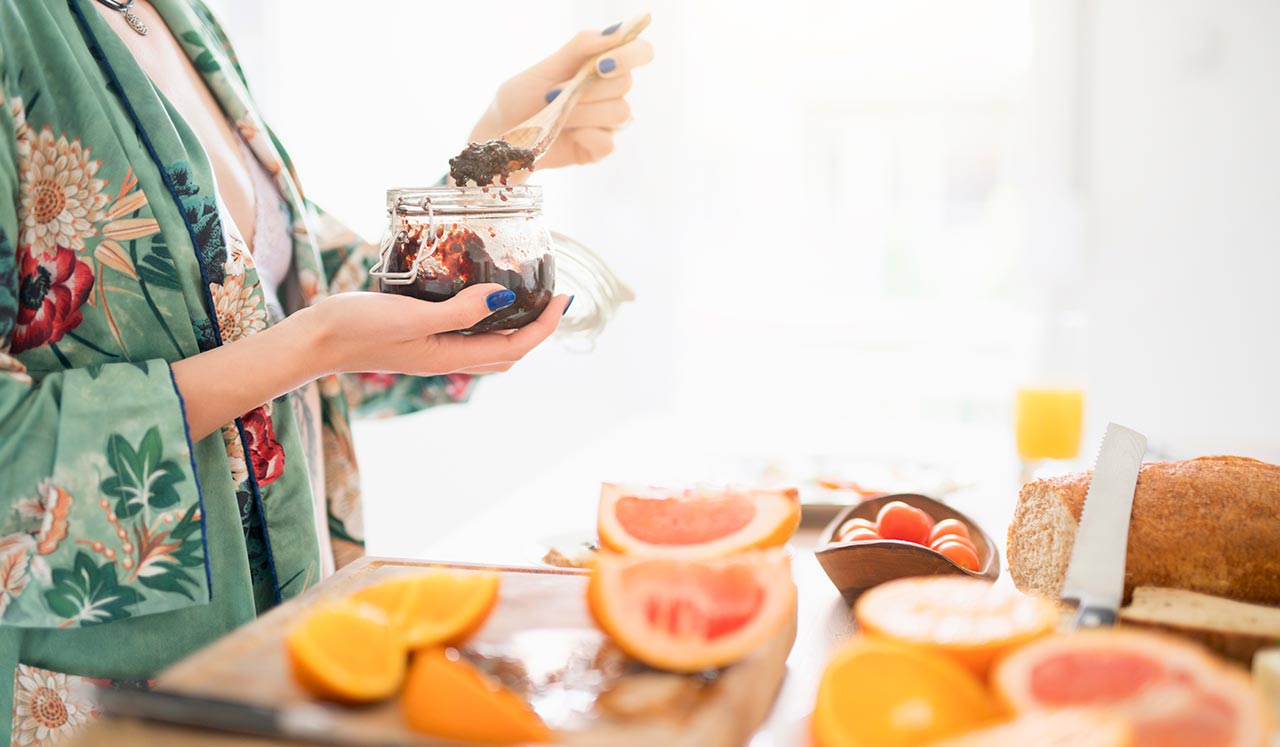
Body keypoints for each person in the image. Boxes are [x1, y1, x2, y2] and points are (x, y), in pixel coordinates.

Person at [0, 0, 653, 741]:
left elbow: (281, 298)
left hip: (293, 660)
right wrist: (314, 346)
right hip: (111, 704)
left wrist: (483, 167)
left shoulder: (180, 17)